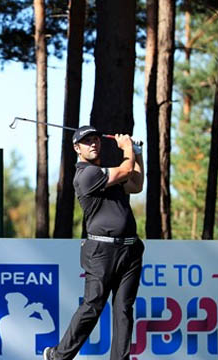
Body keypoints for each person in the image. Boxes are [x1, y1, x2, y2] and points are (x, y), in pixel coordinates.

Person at [44, 126, 145, 360]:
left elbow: (136, 184)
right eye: (86, 141)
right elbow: (126, 169)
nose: (93, 144)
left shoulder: (104, 173)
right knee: (93, 305)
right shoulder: (86, 174)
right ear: (76, 148)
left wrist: (137, 152)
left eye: (96, 140)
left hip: (129, 249)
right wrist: (128, 148)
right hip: (101, 251)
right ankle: (59, 355)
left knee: (123, 310)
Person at [0, 292, 55, 359]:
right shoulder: (4, 320)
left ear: (21, 306)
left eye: (14, 304)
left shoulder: (31, 321)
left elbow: (50, 327)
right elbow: (18, 319)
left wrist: (42, 311)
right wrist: (32, 308)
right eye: (9, 303)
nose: (10, 306)